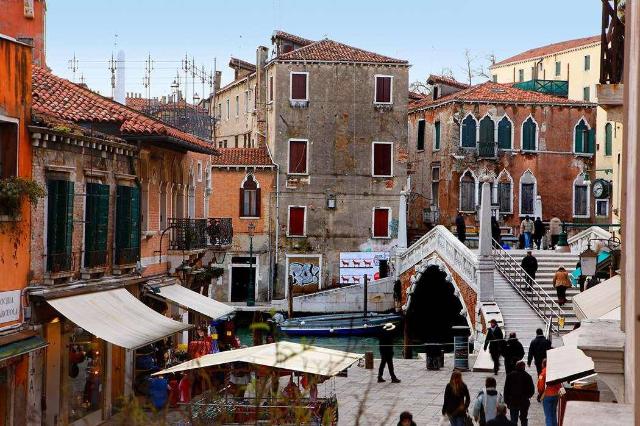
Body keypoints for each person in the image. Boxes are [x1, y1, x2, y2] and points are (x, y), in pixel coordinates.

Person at [504, 360, 535, 426]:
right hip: (524, 401)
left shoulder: (509, 376)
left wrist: (507, 401)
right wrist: (527, 397)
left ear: (516, 366)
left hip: (513, 401)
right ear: (524, 367)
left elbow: (506, 390)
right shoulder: (528, 377)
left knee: (513, 419)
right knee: (524, 418)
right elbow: (532, 391)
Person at [537, 359, 562, 426]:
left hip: (547, 395)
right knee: (553, 414)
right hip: (556, 395)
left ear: (543, 364)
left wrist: (540, 394)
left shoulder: (542, 374)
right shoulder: (554, 373)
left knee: (548, 415)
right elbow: (560, 385)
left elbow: (541, 387)